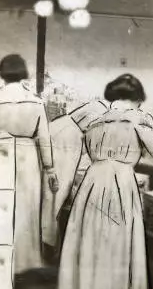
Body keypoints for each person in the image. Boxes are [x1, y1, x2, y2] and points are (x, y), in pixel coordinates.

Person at [58, 74, 153, 289]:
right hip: (121, 180)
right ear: (138, 98)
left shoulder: (96, 120)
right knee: (117, 240)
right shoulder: (139, 118)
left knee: (90, 236)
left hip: (93, 180)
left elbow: (86, 148)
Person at [0, 54, 59, 276]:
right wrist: (50, 168)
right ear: (23, 72)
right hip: (28, 157)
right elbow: (44, 137)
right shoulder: (36, 101)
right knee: (28, 208)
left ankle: (3, 260)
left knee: (2, 206)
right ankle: (27, 261)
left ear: (3, 72)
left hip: (1, 155)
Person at [41, 99, 109, 257]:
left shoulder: (98, 104)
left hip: (61, 132)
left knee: (49, 196)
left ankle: (46, 244)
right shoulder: (103, 109)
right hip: (69, 140)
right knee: (56, 193)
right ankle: (48, 247)